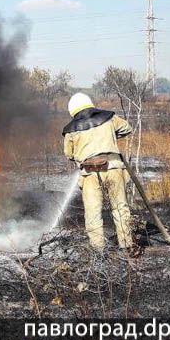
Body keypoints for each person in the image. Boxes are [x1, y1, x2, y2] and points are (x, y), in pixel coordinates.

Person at [62, 93, 137, 253]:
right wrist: (110, 135)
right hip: (114, 167)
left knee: (93, 212)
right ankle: (127, 245)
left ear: (73, 110)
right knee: (120, 207)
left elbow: (69, 154)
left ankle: (98, 250)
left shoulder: (71, 129)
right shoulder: (109, 118)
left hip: (90, 174)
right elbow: (127, 129)